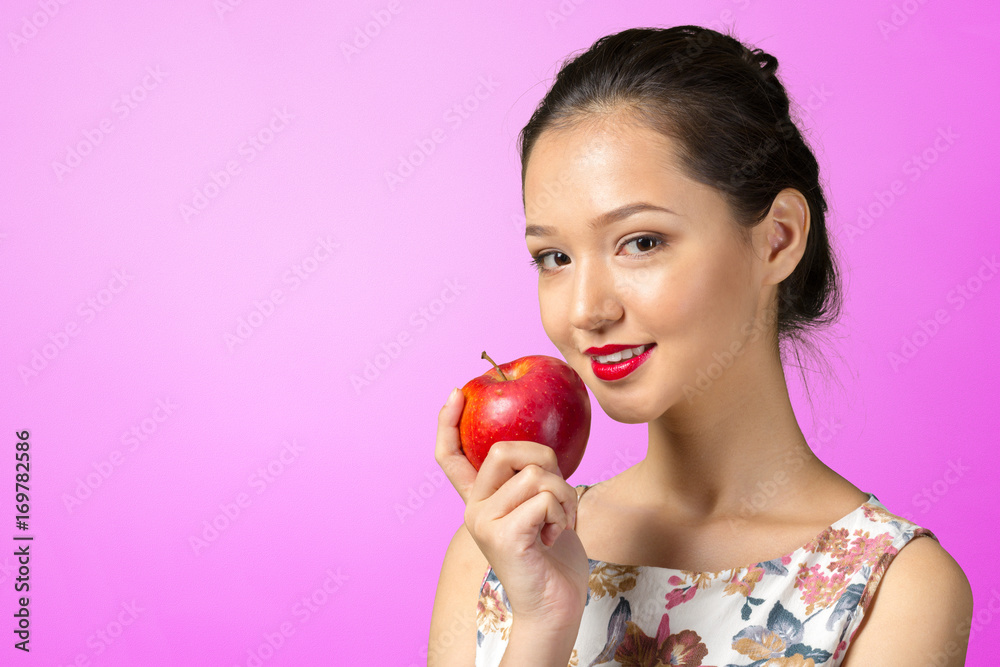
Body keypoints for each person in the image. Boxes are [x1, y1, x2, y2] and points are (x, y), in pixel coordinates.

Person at [429, 25, 973, 667]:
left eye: (641, 242)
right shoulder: (501, 556)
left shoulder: (894, 591)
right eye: (554, 257)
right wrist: (542, 624)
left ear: (777, 238)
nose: (585, 311)